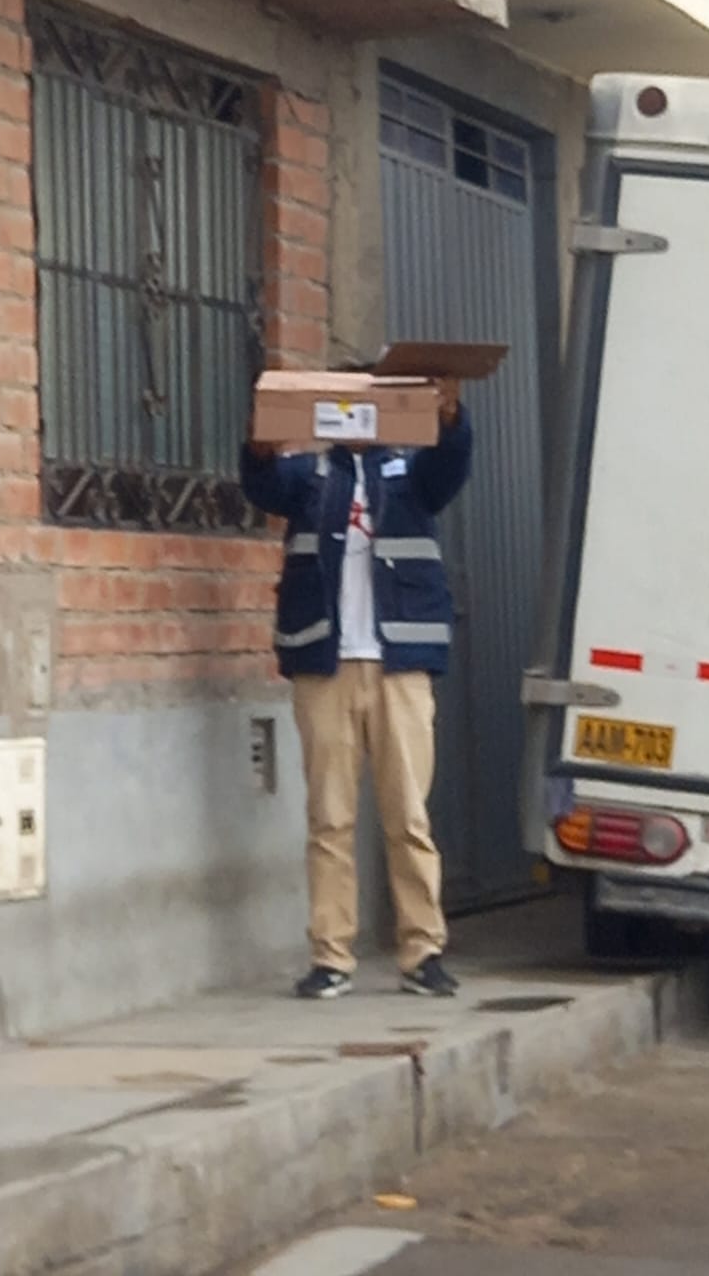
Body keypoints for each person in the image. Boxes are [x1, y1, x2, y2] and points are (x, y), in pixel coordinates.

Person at [241, 376, 472, 999]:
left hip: (400, 666)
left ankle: (422, 951)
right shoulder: (309, 475)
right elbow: (261, 484)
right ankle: (331, 956)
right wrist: (260, 445)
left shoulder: (412, 472)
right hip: (327, 665)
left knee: (408, 817)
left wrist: (452, 417)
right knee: (330, 819)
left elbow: (452, 465)